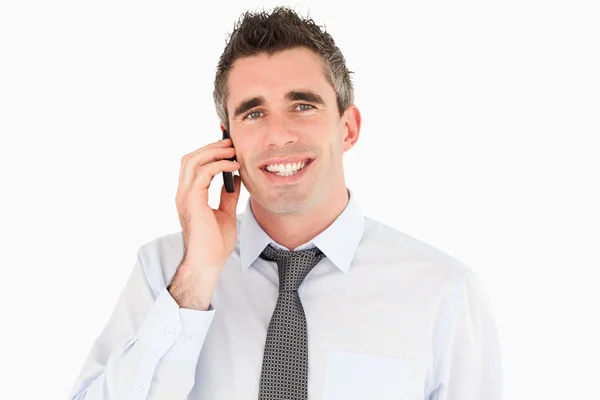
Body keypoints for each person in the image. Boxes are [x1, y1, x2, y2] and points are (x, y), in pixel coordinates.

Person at [69, 6, 502, 400]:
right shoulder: (164, 271)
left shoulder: (444, 294)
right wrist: (195, 283)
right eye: (253, 113)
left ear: (348, 128)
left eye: (301, 105)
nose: (278, 135)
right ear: (227, 141)